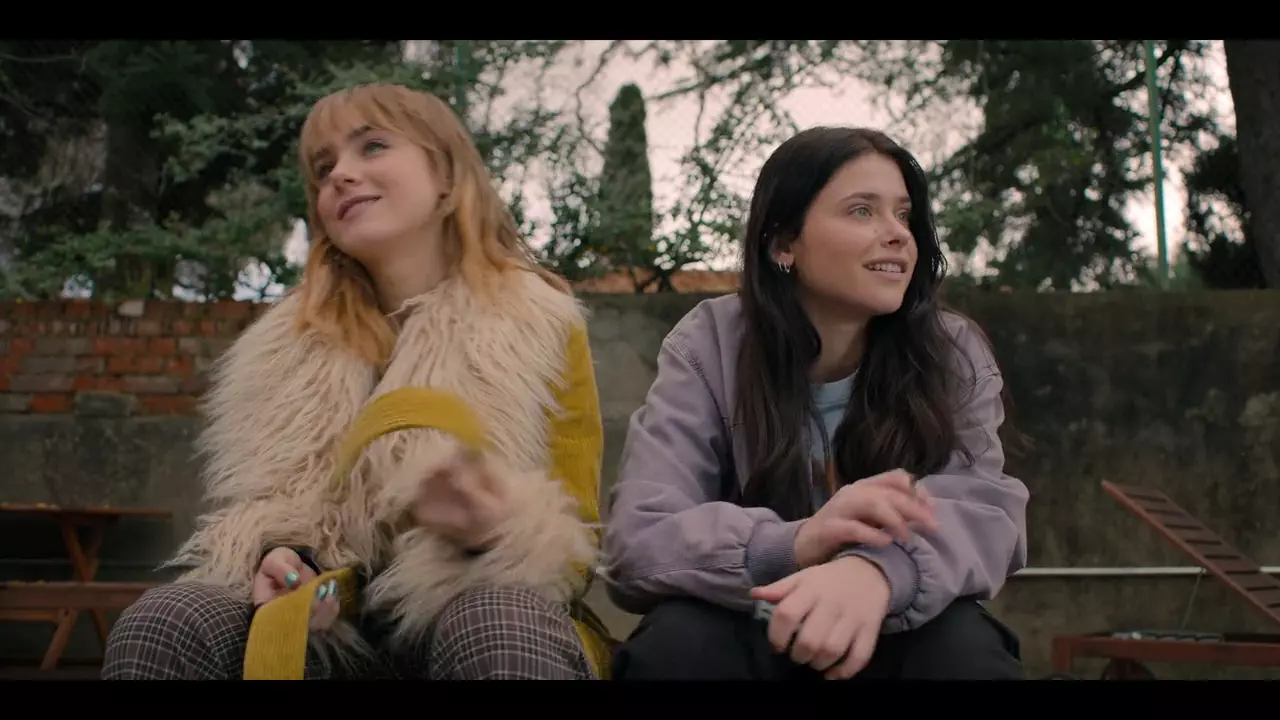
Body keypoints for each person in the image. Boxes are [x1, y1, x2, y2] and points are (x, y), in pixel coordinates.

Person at [102, 82, 611, 680]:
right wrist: (284, 559)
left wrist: (490, 530)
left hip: (467, 609)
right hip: (326, 627)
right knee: (164, 622)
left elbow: (575, 544)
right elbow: (268, 511)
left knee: (498, 620)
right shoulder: (280, 347)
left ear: (447, 176)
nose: (341, 175)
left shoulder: (537, 319)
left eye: (372, 146)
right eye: (323, 169)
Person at [601, 126, 1030, 681]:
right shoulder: (710, 343)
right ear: (783, 244)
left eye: (903, 214)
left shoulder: (950, 350)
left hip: (895, 617)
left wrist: (874, 572)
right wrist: (796, 542)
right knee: (677, 647)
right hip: (749, 615)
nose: (897, 234)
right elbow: (641, 537)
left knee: (964, 654)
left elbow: (985, 512)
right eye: (861, 211)